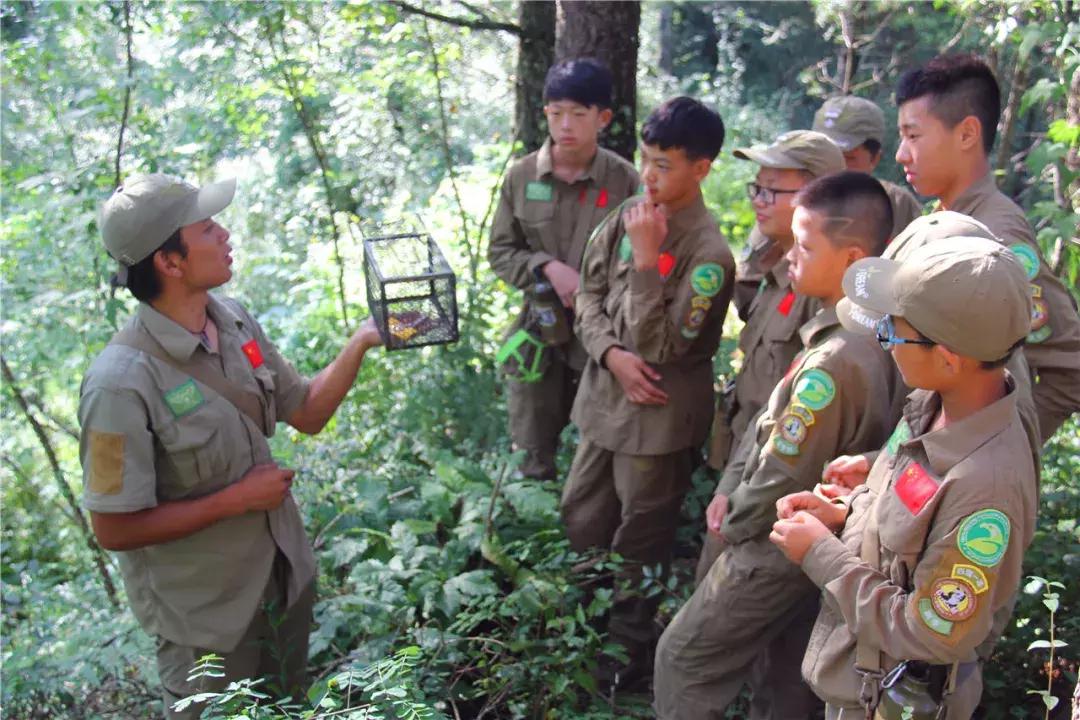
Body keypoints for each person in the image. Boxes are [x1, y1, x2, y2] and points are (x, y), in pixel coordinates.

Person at [79, 174, 383, 719]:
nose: (224, 234)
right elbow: (113, 528)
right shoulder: (117, 384)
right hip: (207, 625)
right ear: (169, 262)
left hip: (280, 584)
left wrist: (362, 339)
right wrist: (237, 500)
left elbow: (307, 412)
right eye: (206, 228)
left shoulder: (235, 318)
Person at [655, 172, 897, 720]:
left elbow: (784, 470)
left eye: (806, 246)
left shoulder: (834, 361)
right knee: (789, 676)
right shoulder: (872, 330)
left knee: (683, 658)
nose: (792, 256)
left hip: (774, 539)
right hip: (821, 539)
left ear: (853, 257)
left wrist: (735, 523)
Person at [771, 235, 1037, 719]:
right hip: (856, 683)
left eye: (895, 332)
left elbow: (929, 631)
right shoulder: (933, 405)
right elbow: (909, 531)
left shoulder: (986, 486)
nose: (885, 341)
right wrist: (845, 513)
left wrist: (821, 555)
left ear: (950, 357)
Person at [563, 96, 732, 690]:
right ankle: (577, 636)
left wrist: (645, 260)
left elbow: (662, 349)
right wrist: (610, 354)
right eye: (646, 161)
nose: (650, 176)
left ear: (702, 168)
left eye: (665, 165)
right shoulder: (630, 216)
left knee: (641, 541)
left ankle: (625, 657)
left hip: (655, 424)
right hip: (604, 405)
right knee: (580, 520)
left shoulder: (707, 254)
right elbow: (584, 297)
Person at [893, 53, 1080, 442]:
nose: (901, 153)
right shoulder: (943, 220)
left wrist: (987, 447)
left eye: (913, 136)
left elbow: (1070, 369)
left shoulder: (996, 239)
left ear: (966, 134)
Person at [488, 58, 640, 481]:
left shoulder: (625, 181)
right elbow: (500, 251)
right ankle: (533, 518)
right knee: (531, 435)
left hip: (603, 331)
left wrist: (593, 288)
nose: (565, 125)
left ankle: (582, 523)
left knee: (598, 437)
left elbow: (640, 258)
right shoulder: (521, 178)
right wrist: (547, 267)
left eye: (578, 114)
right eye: (556, 114)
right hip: (539, 326)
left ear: (602, 118)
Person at [701, 130, 844, 578]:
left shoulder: (817, 285)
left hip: (771, 483)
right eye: (756, 188)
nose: (758, 200)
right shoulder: (775, 261)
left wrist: (742, 501)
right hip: (742, 459)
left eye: (772, 191)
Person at [812, 94, 924, 237]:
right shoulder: (787, 197)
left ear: (874, 159)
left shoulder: (898, 206)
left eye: (848, 158)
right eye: (822, 155)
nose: (832, 166)